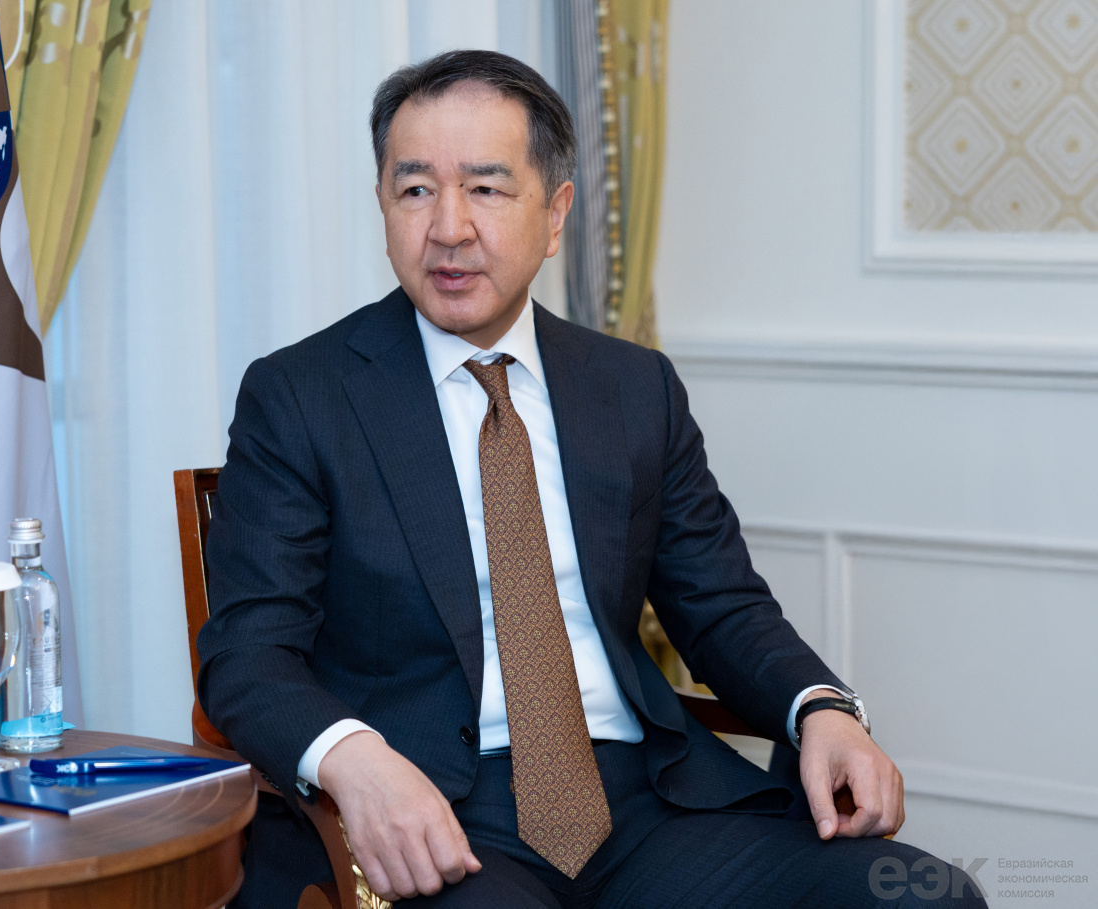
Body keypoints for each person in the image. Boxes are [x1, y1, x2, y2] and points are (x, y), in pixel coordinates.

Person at [197, 49, 986, 908]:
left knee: (928, 896)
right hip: (428, 807)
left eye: (487, 188)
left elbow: (721, 604)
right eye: (415, 189)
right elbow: (248, 652)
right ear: (383, 205)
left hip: (650, 803)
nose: (449, 227)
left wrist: (819, 707)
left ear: (556, 212)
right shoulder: (302, 395)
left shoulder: (632, 387)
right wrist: (355, 760)